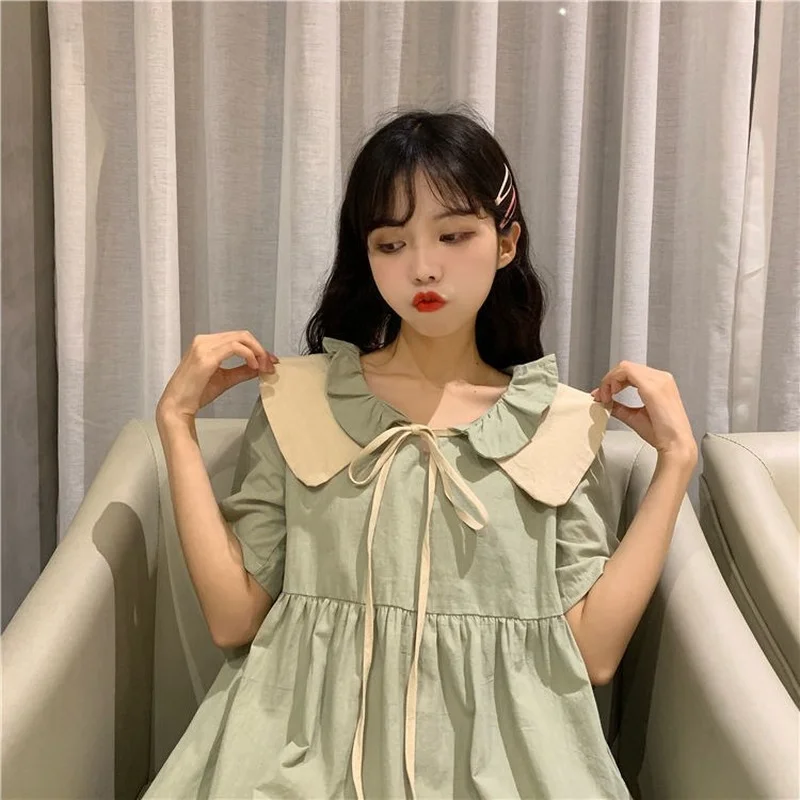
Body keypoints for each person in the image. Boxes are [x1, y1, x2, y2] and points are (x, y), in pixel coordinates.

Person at [147, 109, 697, 799]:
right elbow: (233, 618)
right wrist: (176, 423)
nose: (423, 267)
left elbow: (593, 653)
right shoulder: (300, 400)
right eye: (391, 243)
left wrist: (676, 461)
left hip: (502, 764)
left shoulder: (556, 425)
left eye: (454, 234)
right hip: (300, 755)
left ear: (506, 243)